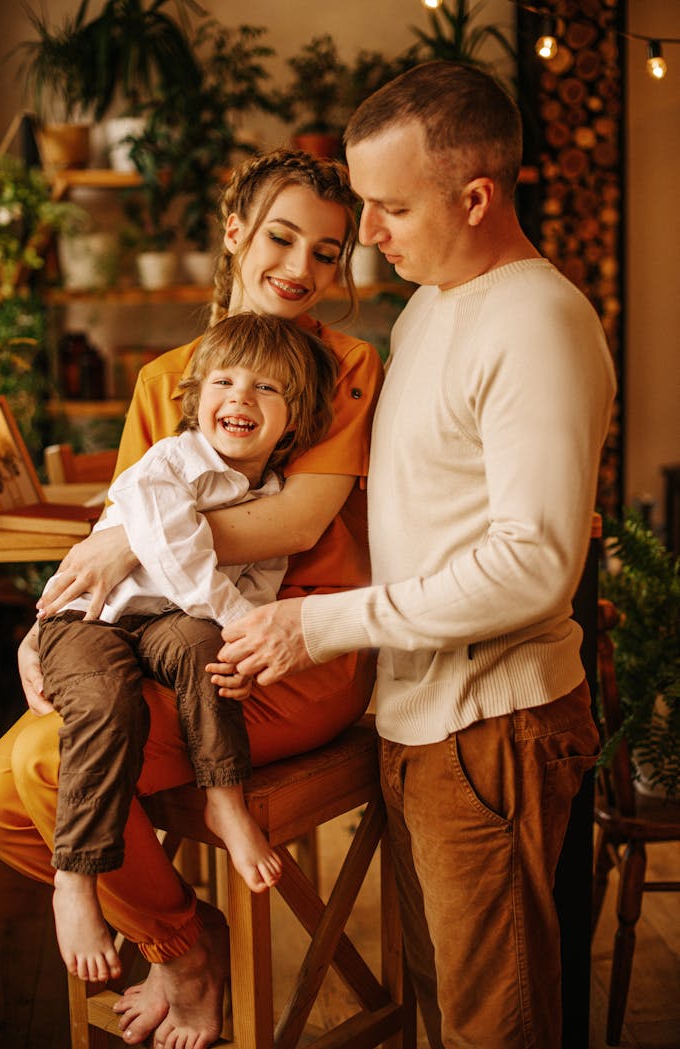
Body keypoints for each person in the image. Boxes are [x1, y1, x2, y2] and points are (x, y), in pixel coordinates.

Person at [217, 62, 618, 1049]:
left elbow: (533, 561)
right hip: (418, 721)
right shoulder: (430, 303)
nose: (368, 233)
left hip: (491, 724)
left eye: (389, 205)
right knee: (445, 1009)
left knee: (496, 1025)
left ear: (475, 196)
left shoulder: (538, 319)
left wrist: (315, 625)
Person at [0, 149, 383, 1049]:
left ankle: (179, 948)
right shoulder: (167, 378)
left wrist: (129, 535)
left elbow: (294, 519)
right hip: (165, 642)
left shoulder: (348, 366)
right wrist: (51, 624)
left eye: (328, 251)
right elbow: (124, 534)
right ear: (236, 232)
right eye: (282, 237)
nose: (301, 269)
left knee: (45, 766)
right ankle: (186, 925)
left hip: (288, 651)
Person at [38, 310, 338, 983]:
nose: (239, 396)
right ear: (196, 397)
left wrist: (249, 640)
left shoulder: (275, 494)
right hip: (90, 620)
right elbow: (178, 558)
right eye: (224, 381)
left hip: (167, 629)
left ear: (296, 419)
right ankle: (76, 876)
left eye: (267, 388)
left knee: (212, 646)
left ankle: (224, 798)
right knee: (111, 702)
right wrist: (242, 625)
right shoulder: (171, 462)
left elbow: (260, 585)